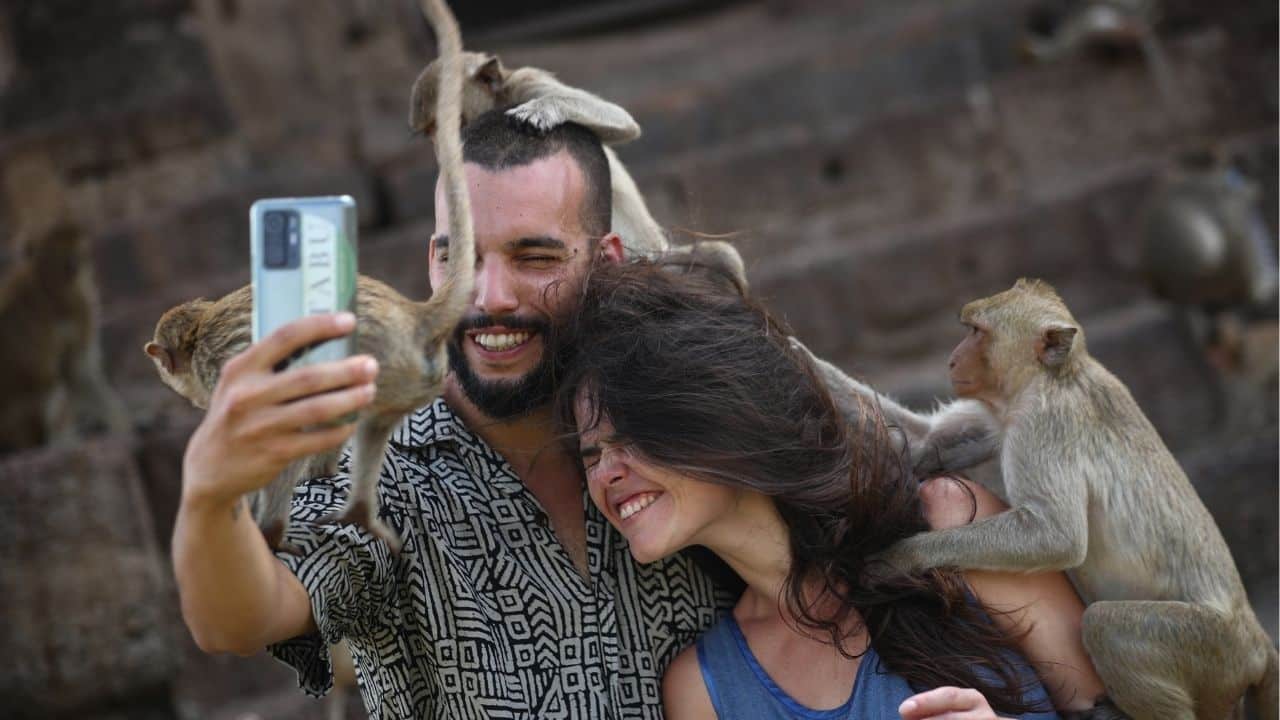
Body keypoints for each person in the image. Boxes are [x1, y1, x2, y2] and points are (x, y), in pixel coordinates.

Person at [171, 110, 733, 719]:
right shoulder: (380, 470)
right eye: (459, 259)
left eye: (535, 258)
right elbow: (243, 618)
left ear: (607, 261)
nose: (489, 297)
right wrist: (209, 496)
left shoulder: (686, 412)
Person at [550, 260, 1110, 719]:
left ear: (719, 417)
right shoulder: (703, 691)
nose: (604, 475)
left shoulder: (951, 523)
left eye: (629, 439)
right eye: (591, 455)